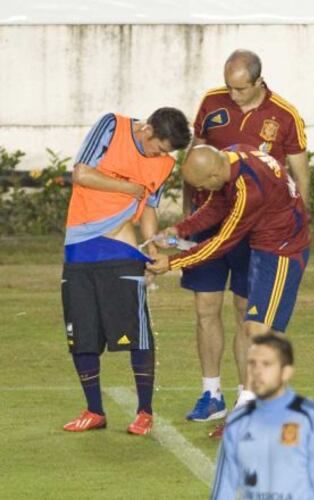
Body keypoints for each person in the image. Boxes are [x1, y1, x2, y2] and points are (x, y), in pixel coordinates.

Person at [180, 49, 310, 423]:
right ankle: (210, 393)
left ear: (258, 82)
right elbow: (194, 156)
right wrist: (190, 212)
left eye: (239, 88)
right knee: (205, 309)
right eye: (228, 86)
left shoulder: (285, 115)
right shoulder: (211, 102)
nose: (232, 95)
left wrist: (299, 218)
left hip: (253, 229)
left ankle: (245, 399)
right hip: (210, 217)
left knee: (244, 312)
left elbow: (300, 171)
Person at [147, 144, 310, 415]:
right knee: (258, 331)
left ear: (212, 176)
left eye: (202, 185)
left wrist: (171, 263)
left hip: (283, 249)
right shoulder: (233, 156)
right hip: (264, 246)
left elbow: (222, 242)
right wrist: (180, 228)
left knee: (260, 332)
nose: (203, 191)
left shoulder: (248, 189)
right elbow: (216, 205)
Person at [61, 107, 191, 435]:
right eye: (158, 147)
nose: (160, 156)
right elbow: (81, 174)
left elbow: (149, 206)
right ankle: (94, 410)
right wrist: (130, 189)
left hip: (121, 249)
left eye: (167, 153)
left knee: (136, 332)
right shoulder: (111, 126)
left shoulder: (164, 162)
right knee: (82, 335)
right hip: (78, 249)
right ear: (147, 129)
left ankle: (144, 412)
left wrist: (152, 247)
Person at [211, 334, 314, 500]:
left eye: (267, 364)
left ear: (286, 372)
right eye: (252, 364)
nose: (257, 372)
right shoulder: (238, 422)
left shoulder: (311, 418)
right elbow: (223, 488)